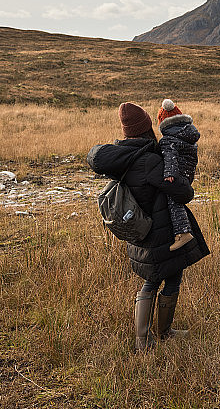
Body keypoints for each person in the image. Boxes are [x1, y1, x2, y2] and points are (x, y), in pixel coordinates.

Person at [87, 102, 210, 352]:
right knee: (153, 281)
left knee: (172, 276)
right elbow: (182, 193)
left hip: (143, 229)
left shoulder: (126, 158)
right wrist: (185, 183)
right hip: (158, 231)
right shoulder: (148, 161)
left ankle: (164, 333)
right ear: (146, 128)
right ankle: (144, 341)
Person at [156, 99, 200, 252]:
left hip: (177, 174)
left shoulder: (168, 139)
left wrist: (169, 173)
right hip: (188, 173)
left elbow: (170, 156)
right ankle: (182, 231)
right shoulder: (188, 135)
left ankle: (183, 233)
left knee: (173, 200)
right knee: (178, 199)